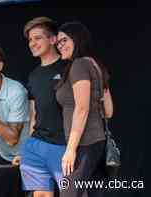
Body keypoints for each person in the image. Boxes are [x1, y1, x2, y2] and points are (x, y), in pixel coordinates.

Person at [55, 21, 113, 197]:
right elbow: (108, 111)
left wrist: (71, 149)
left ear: (77, 38)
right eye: (58, 42)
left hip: (85, 144)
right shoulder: (96, 65)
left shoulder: (79, 65)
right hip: (97, 143)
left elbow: (81, 108)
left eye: (64, 40)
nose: (60, 45)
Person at [18, 17, 67, 197]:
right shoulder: (33, 75)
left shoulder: (68, 68)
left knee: (71, 193)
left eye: (37, 38)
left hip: (64, 145)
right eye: (30, 40)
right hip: (37, 144)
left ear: (53, 39)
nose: (32, 43)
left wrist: (73, 148)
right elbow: (33, 114)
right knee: (40, 194)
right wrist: (27, 146)